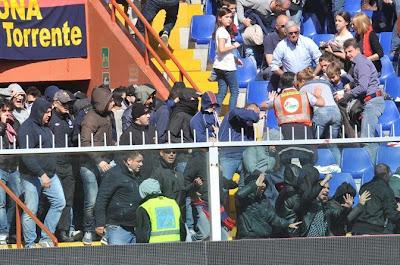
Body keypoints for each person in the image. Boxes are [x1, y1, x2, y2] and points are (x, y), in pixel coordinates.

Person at [18, 98, 66, 248]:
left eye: (50, 112)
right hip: (32, 176)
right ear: (39, 111)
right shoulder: (27, 128)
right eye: (46, 112)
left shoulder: (46, 127)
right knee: (30, 210)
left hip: (50, 173)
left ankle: (46, 237)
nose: (49, 115)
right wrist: (41, 174)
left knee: (59, 202)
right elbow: (27, 155)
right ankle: (30, 244)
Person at [80, 85, 116, 245]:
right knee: (92, 200)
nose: (113, 103)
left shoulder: (109, 116)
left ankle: (103, 229)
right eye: (109, 100)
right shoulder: (89, 118)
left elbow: (111, 138)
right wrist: (98, 160)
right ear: (102, 102)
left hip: (107, 162)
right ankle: (88, 230)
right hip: (90, 165)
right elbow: (85, 142)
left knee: (105, 198)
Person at [335, 38, 385, 138]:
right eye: (346, 52)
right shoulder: (358, 63)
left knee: (367, 139)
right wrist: (351, 84)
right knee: (368, 137)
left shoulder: (361, 63)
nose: (348, 54)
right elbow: (363, 80)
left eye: (350, 51)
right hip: (368, 101)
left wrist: (345, 95)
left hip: (372, 102)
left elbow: (363, 87)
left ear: (358, 49)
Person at [95, 151, 144, 245]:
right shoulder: (113, 174)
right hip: (118, 227)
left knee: (136, 259)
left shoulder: (137, 175)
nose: (141, 164)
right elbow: (102, 198)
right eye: (138, 161)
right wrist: (100, 223)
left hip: (135, 226)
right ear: (129, 161)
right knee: (118, 258)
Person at [236, 171, 301, 239]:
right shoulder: (245, 199)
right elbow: (239, 195)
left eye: (264, 183)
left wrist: (287, 224)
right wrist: (255, 184)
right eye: (261, 182)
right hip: (248, 239)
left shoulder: (264, 200)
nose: (263, 185)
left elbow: (273, 217)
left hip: (264, 238)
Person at [48, 90, 77, 243]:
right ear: (55, 103)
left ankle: (64, 231)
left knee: (68, 199)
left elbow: (73, 138)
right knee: (54, 200)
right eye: (65, 103)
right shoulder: (50, 118)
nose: (68, 106)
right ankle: (49, 231)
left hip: (68, 163)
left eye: (69, 103)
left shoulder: (69, 117)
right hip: (54, 164)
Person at [218, 104, 261, 187]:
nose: (254, 116)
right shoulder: (233, 115)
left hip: (245, 159)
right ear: (245, 110)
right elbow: (237, 112)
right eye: (253, 113)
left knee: (244, 187)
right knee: (223, 187)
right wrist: (254, 115)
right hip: (229, 157)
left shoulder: (249, 125)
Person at [352, 164, 400, 235]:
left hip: (358, 229)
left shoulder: (364, 187)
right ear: (387, 174)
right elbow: (392, 215)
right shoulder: (386, 190)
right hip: (375, 231)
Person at [136, 178, 187, 243]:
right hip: (175, 247)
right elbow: (182, 230)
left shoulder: (144, 207)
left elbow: (142, 236)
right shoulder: (173, 203)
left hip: (154, 249)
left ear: (143, 192)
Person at [296, 67, 342, 139]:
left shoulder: (303, 88)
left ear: (302, 81)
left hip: (321, 112)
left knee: (316, 142)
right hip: (336, 112)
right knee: (333, 143)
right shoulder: (325, 83)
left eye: (297, 84)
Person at [0, 99, 21, 245]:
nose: (7, 113)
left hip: (13, 167)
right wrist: (2, 123)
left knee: (15, 201)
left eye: (9, 110)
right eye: (4, 110)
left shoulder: (15, 124)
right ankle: (3, 232)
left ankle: (9, 230)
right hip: (0, 167)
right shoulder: (2, 125)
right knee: (0, 203)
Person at [214, 7, 241, 111]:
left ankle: (215, 113)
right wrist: (234, 46)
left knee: (222, 90)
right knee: (235, 91)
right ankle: (231, 115)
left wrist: (234, 59)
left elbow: (222, 52)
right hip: (227, 67)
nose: (229, 19)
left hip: (220, 65)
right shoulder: (222, 32)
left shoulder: (221, 30)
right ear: (220, 18)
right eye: (226, 17)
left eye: (231, 17)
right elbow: (221, 49)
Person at [262, 14, 289, 82]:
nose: (286, 28)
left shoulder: (292, 36)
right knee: (270, 72)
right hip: (276, 67)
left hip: (289, 65)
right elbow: (270, 62)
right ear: (277, 27)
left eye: (288, 26)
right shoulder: (269, 38)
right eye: (283, 26)